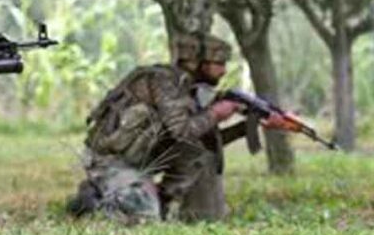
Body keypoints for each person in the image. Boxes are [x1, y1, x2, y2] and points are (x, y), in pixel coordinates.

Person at [67, 32, 288, 223]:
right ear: (198, 62)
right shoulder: (163, 83)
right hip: (109, 160)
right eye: (219, 64)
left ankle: (159, 200)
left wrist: (249, 125)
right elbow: (182, 131)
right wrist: (217, 113)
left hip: (139, 159)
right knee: (144, 218)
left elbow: (203, 141)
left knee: (196, 152)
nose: (223, 71)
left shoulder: (188, 89)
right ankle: (93, 199)